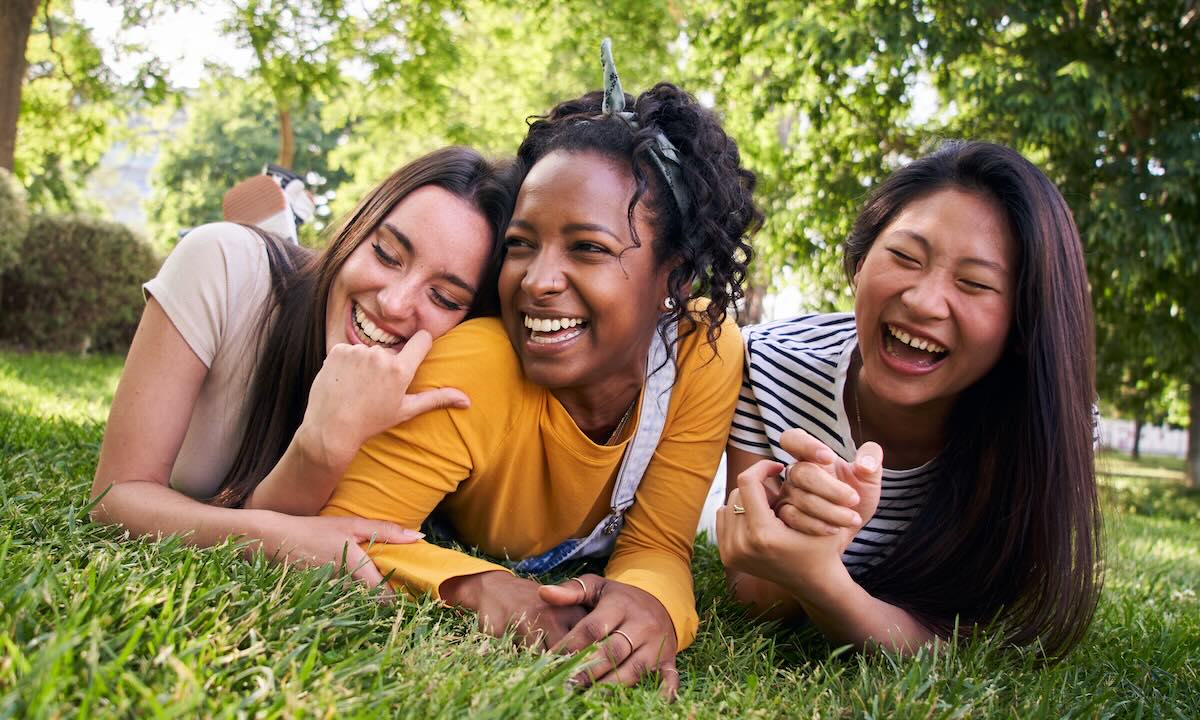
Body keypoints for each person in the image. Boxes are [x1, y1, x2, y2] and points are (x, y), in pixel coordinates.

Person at [320, 40, 760, 694]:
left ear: (675, 274)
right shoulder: (476, 366)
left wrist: (653, 608)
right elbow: (342, 533)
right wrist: (483, 588)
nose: (537, 281)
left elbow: (659, 543)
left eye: (588, 248)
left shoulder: (704, 352)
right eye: (522, 245)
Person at [718, 140, 1102, 658]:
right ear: (858, 264)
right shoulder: (768, 366)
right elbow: (754, 598)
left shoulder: (1048, 427)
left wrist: (822, 577)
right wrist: (797, 533)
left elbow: (966, 641)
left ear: (1022, 321)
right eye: (904, 257)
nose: (923, 302)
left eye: (974, 283)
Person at [90, 147, 518, 587]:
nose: (394, 303)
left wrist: (327, 444)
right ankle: (282, 229)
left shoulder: (440, 382)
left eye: (444, 298)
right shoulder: (219, 264)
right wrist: (270, 535)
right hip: (269, 288)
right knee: (282, 270)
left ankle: (291, 228)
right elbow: (115, 498)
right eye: (387, 254)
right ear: (356, 228)